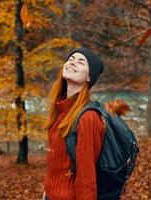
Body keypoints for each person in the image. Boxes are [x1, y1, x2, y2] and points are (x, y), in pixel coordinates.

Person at [42, 47, 105, 200]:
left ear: (90, 77)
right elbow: (56, 164)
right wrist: (46, 193)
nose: (72, 63)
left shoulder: (88, 117)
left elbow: (87, 177)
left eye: (81, 62)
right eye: (70, 59)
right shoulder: (59, 109)